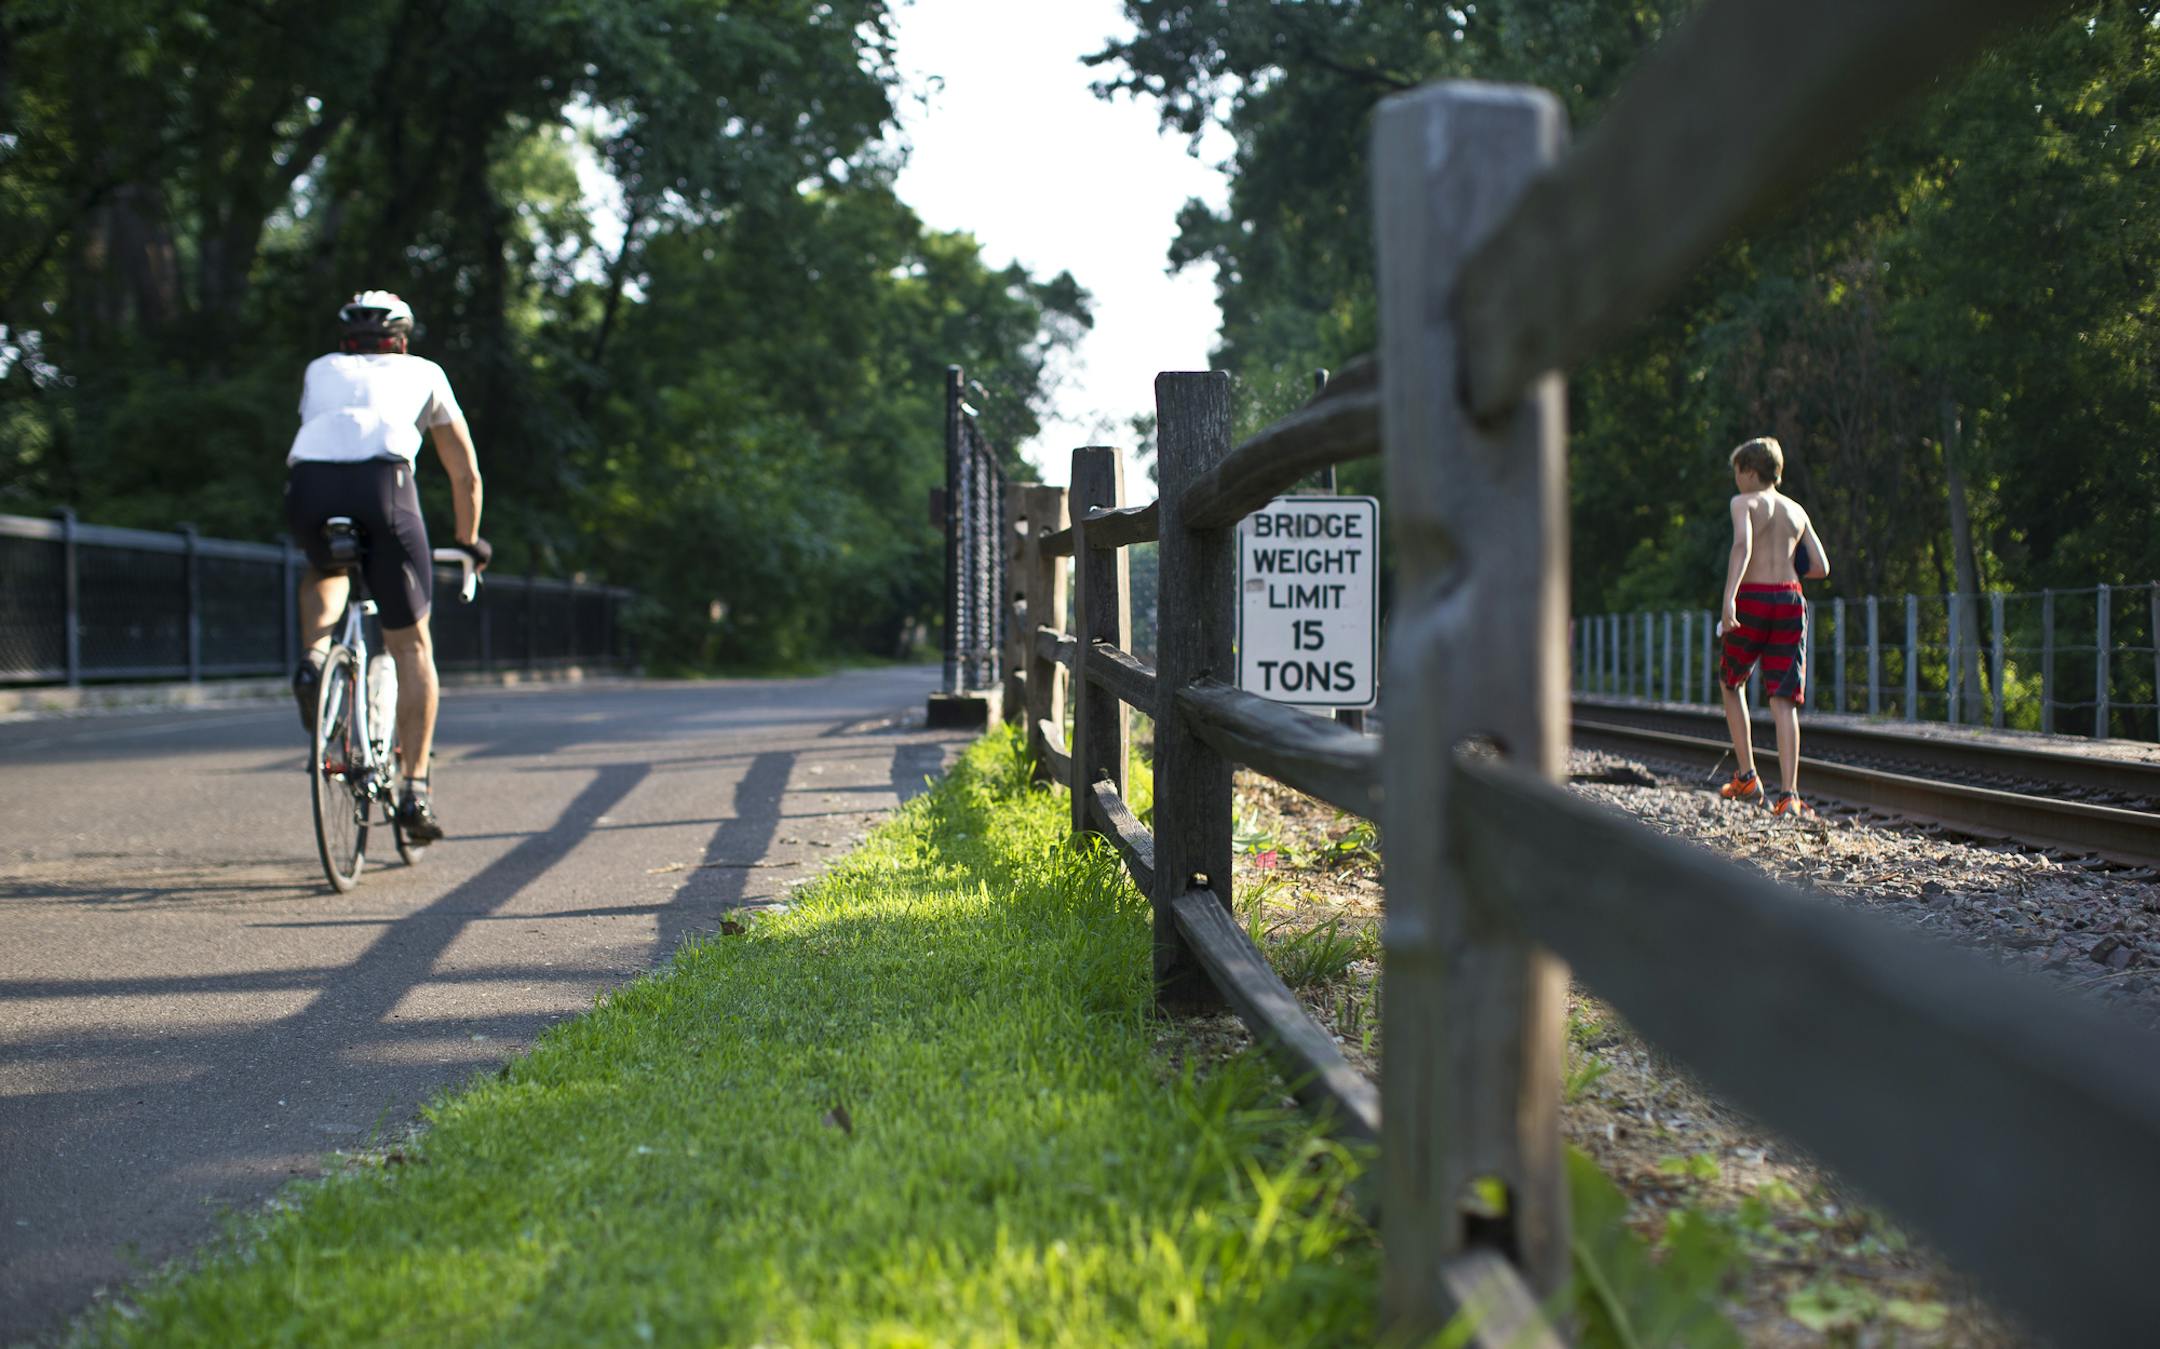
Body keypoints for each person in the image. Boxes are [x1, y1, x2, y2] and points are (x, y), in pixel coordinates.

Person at [285, 291, 488, 842]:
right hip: (385, 488)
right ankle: (414, 791)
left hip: (309, 486)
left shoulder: (319, 370)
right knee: (411, 646)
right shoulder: (425, 372)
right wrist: (469, 542)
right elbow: (464, 471)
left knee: (327, 570)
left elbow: (328, 435)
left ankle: (314, 659)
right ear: (401, 338)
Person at [1714, 436, 1829, 818]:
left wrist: (1730, 597)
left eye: (1737, 473)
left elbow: (1742, 547)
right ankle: (1789, 797)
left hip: (1753, 600)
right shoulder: (1797, 511)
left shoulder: (1744, 502)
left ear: (1748, 471)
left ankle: (1747, 776)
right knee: (1784, 699)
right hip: (1791, 601)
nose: (1736, 481)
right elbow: (1820, 567)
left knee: (1732, 681)